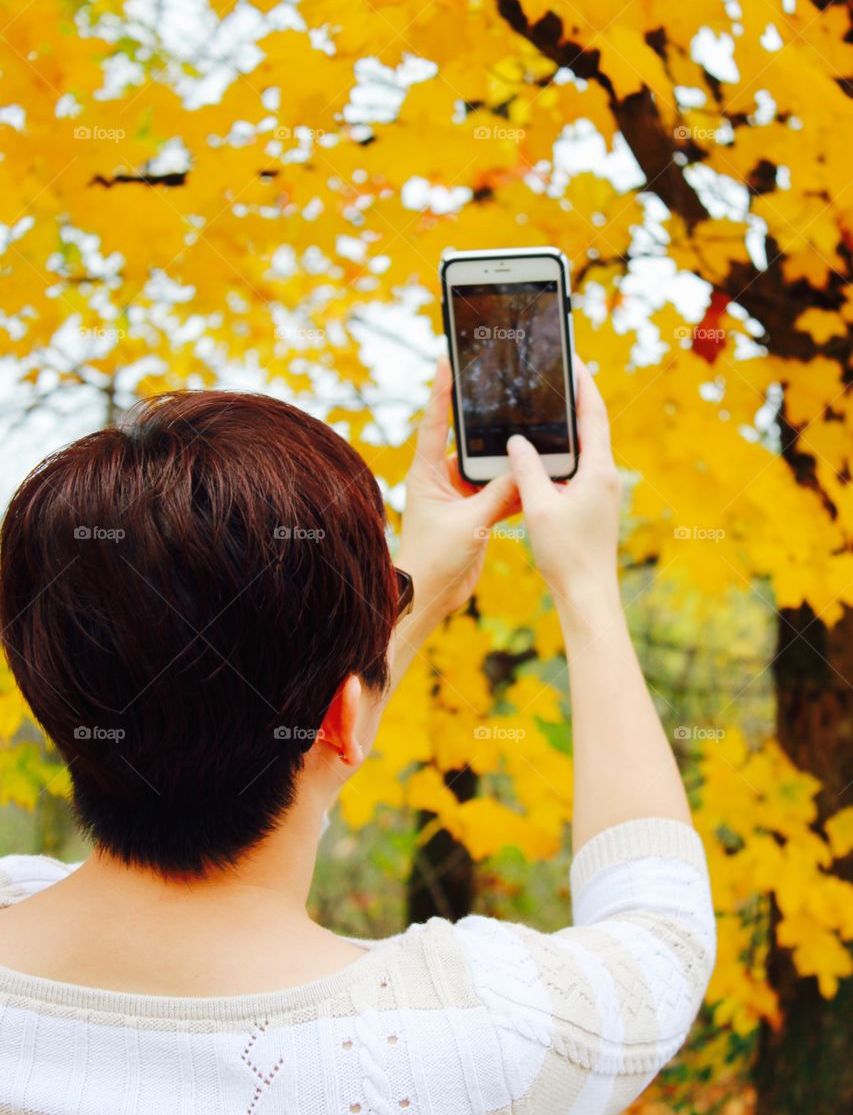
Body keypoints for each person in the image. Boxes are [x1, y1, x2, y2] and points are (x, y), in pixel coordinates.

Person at [0, 357, 715, 1115]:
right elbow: (658, 935)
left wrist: (416, 587)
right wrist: (585, 586)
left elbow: (271, 734)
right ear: (345, 719)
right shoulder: (469, 1039)